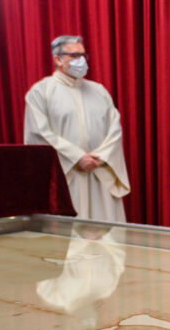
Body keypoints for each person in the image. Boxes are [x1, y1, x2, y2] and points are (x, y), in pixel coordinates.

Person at [25, 35, 131, 221]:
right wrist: (77, 157)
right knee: (71, 231)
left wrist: (100, 157)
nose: (81, 60)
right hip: (67, 175)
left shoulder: (99, 91)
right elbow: (39, 133)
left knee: (107, 230)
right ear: (58, 59)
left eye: (83, 55)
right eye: (74, 55)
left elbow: (115, 129)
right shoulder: (41, 92)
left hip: (100, 172)